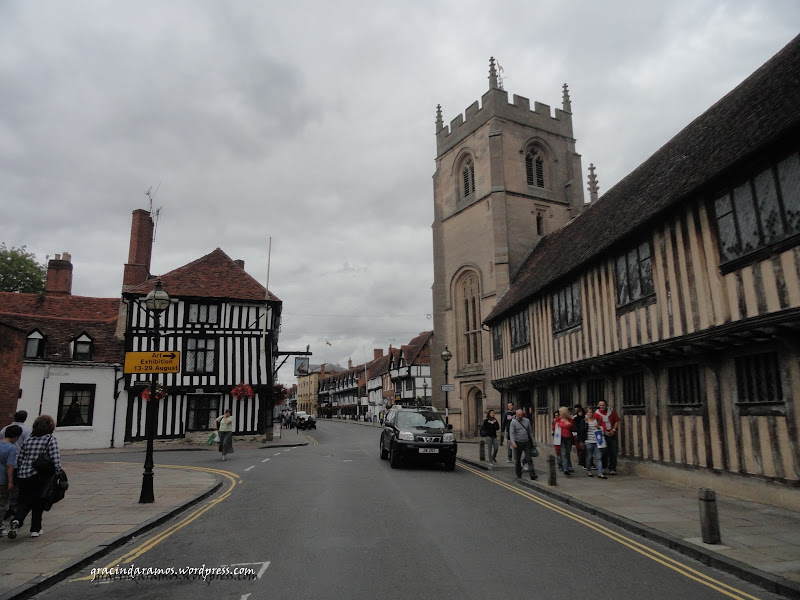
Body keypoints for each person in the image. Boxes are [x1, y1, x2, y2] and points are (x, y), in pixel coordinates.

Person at [8, 415, 62, 540]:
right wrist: (59, 473)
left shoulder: (29, 439)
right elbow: (55, 458)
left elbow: (20, 458)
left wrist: (21, 471)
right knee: (38, 502)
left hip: (23, 475)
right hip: (40, 476)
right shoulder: (50, 439)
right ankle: (35, 530)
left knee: (23, 501)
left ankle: (17, 520)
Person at [0, 410, 31, 520]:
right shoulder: (27, 430)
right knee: (14, 487)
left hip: (3, 461)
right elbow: (28, 445)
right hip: (17, 462)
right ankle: (11, 508)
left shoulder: (5, 429)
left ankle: (7, 508)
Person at [0, 425, 21, 537]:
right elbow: (9, 466)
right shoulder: (11, 448)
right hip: (2, 479)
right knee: (3, 504)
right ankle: (0, 526)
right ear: (16, 436)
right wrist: (10, 482)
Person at [507, 409, 537, 480]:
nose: (520, 416)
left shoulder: (527, 421)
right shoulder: (513, 422)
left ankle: (532, 474)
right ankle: (518, 473)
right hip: (517, 442)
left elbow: (530, 432)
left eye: (521, 415)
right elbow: (512, 433)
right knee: (517, 459)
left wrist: (533, 441)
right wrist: (513, 442)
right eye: (519, 415)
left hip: (526, 442)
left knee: (529, 458)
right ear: (516, 414)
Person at [595, 400, 621, 475]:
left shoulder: (612, 412)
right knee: (604, 451)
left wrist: (614, 429)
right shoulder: (596, 413)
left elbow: (617, 421)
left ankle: (612, 468)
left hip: (612, 433)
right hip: (603, 434)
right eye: (600, 405)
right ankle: (603, 467)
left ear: (606, 405)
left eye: (603, 405)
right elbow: (595, 423)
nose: (602, 407)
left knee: (613, 451)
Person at [582, 408, 606, 479]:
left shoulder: (597, 421)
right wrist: (586, 425)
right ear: (586, 414)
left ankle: (600, 473)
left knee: (598, 457)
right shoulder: (584, 421)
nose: (590, 414)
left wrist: (598, 427)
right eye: (588, 412)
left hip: (597, 441)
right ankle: (589, 470)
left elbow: (602, 430)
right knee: (589, 457)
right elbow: (582, 431)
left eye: (591, 412)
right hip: (588, 441)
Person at [555, 406, 577, 476]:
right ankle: (565, 469)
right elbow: (553, 428)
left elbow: (574, 429)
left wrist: (570, 425)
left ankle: (567, 466)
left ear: (564, 412)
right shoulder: (558, 420)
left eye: (560, 412)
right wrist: (556, 425)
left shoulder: (570, 420)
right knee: (563, 453)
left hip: (569, 438)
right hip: (561, 438)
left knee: (567, 453)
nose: (559, 413)